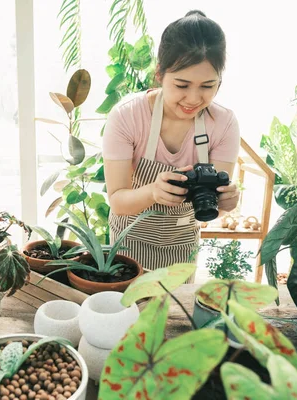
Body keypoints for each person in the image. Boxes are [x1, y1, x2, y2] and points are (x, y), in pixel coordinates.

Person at [102, 10, 240, 281]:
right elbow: (117, 201)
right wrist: (153, 192)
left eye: (207, 86)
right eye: (182, 84)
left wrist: (228, 201)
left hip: (181, 249)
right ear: (159, 75)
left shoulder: (223, 123)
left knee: (176, 318)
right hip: (127, 246)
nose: (193, 98)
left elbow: (214, 205)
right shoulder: (127, 116)